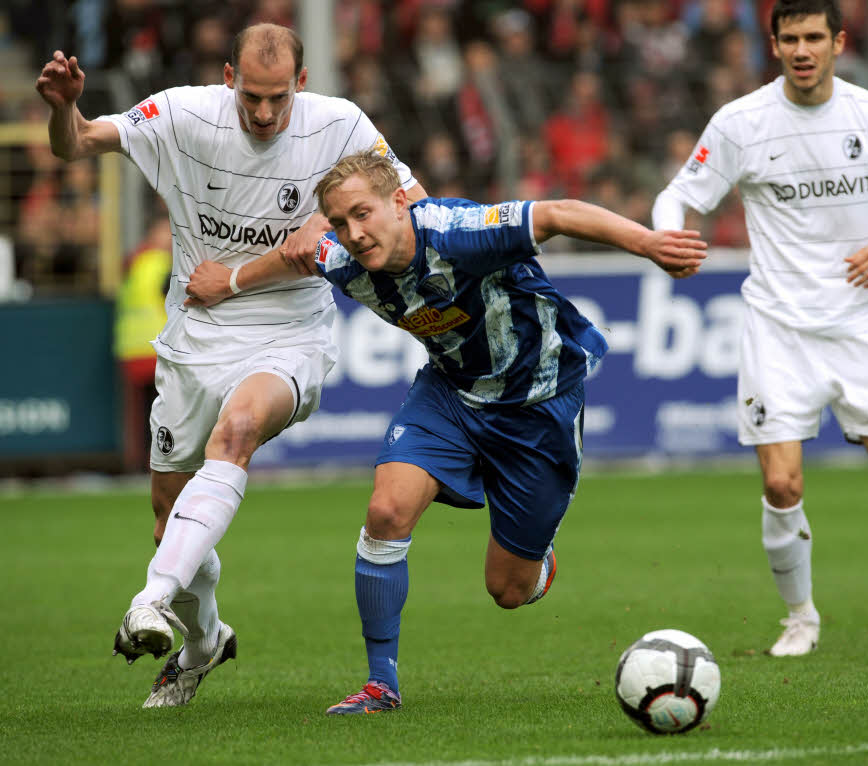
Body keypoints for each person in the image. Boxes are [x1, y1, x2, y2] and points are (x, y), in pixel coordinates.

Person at [183, 150, 709, 714]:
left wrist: (649, 244)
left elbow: (557, 213)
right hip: (451, 394)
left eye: (362, 214)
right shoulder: (346, 258)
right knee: (386, 511)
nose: (353, 234)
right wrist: (230, 281)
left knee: (507, 590)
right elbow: (299, 256)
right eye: (339, 222)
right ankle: (381, 684)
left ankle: (538, 561)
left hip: (540, 405)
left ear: (400, 201)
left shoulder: (459, 234)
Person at [35, 23, 427, 708]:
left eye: (279, 98)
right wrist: (62, 109)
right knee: (167, 517)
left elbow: (411, 206)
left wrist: (336, 232)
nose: (266, 114)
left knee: (238, 430)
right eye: (252, 97)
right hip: (194, 335)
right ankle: (205, 640)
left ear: (302, 85)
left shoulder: (342, 126)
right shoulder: (181, 114)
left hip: (289, 334)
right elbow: (79, 144)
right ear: (228, 77)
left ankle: (149, 600)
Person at [652, 0, 868, 657]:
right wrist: (668, 233)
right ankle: (801, 617)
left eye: (815, 37)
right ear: (774, 44)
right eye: (790, 38)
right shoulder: (742, 122)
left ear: (838, 41)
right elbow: (680, 193)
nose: (803, 49)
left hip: (861, 323)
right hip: (778, 327)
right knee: (782, 484)